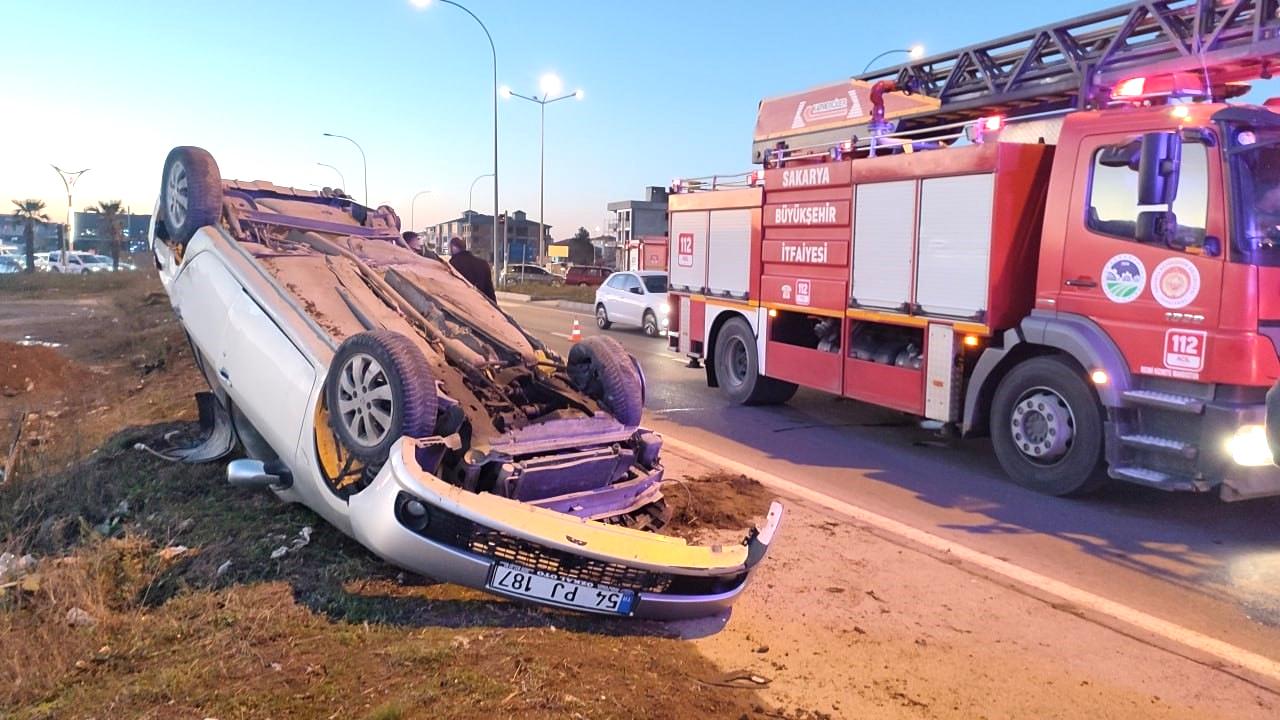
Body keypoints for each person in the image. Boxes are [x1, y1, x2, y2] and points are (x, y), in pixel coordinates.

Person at [448, 236, 496, 301]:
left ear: (453, 248)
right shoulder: (483, 264)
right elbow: (490, 292)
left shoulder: (452, 265)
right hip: (481, 305)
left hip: (462, 305)